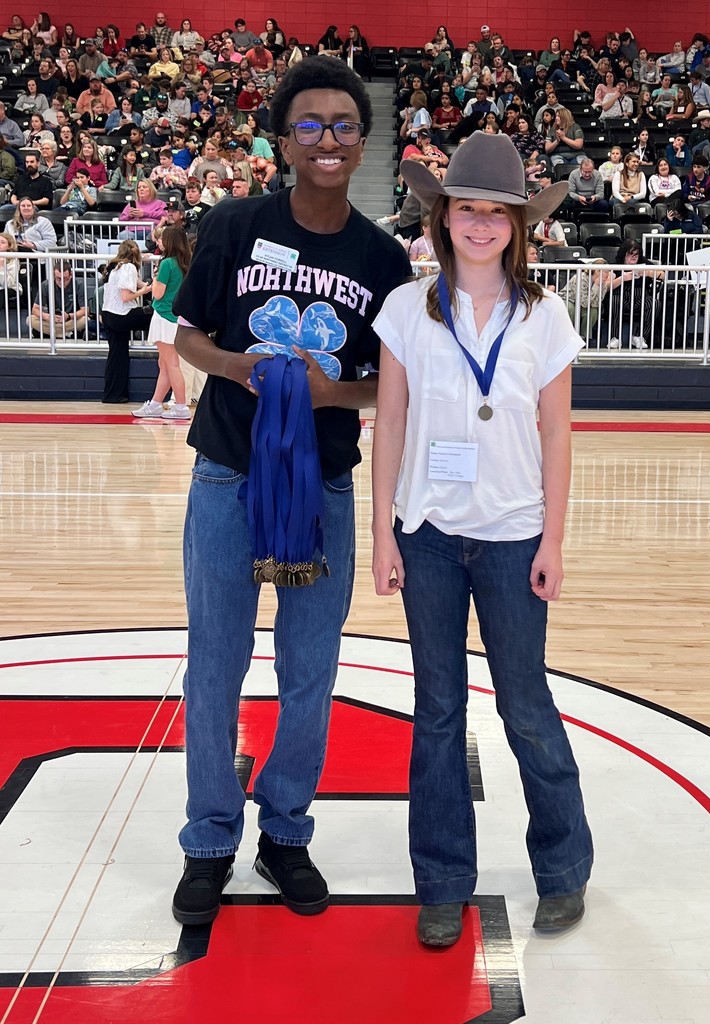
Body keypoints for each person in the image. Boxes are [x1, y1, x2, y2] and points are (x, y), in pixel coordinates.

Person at [168, 57, 410, 927]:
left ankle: (286, 831)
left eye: (343, 125)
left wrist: (326, 394)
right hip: (227, 475)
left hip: (324, 487)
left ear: (362, 138)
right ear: (282, 138)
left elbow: (390, 383)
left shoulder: (383, 260)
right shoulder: (233, 225)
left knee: (310, 669)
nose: (328, 140)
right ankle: (207, 840)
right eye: (309, 125)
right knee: (215, 666)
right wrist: (238, 368)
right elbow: (188, 334)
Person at [370, 130, 593, 949]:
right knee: (436, 710)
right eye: (468, 209)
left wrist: (554, 541)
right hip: (427, 535)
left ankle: (563, 870)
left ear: (517, 224)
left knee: (527, 706)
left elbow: (558, 432)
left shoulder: (546, 314)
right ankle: (441, 881)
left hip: (512, 535)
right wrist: (384, 533)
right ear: (444, 216)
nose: (482, 225)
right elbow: (388, 421)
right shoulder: (406, 309)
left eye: (497, 213)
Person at [132, 226, 192, 420]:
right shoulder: (185, 263)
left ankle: (181, 406)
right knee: (165, 364)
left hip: (165, 315)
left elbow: (158, 293)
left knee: (171, 364)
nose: (159, 242)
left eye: (162, 239)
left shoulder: (167, 264)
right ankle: (156, 404)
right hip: (177, 318)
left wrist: (155, 278)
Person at [100, 240, 153, 402]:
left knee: (117, 355)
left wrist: (147, 286)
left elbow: (141, 284)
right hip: (121, 315)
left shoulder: (113, 267)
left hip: (108, 315)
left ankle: (113, 395)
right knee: (154, 315)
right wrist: (143, 291)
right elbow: (126, 297)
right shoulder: (129, 268)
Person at [30, 260, 88, 337]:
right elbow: (35, 309)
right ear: (54, 275)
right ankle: (65, 333)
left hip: (71, 320)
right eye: (58, 278)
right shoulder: (45, 285)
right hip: (52, 321)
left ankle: (54, 333)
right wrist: (48, 317)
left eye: (65, 278)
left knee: (85, 320)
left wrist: (69, 316)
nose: (62, 282)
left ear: (71, 275)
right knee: (30, 319)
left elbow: (85, 310)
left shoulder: (78, 285)